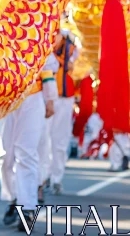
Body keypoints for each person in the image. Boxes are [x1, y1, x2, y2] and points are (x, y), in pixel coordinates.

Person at [0, 28, 58, 231]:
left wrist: (50, 99)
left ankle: (27, 208)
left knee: (26, 153)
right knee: (5, 156)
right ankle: (13, 198)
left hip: (32, 98)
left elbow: (48, 68)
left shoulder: (37, 29)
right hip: (5, 100)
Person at [48, 29, 78, 194]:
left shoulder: (72, 43)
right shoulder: (40, 36)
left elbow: (79, 66)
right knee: (42, 140)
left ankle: (56, 178)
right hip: (44, 96)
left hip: (64, 97)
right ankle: (42, 177)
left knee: (60, 139)